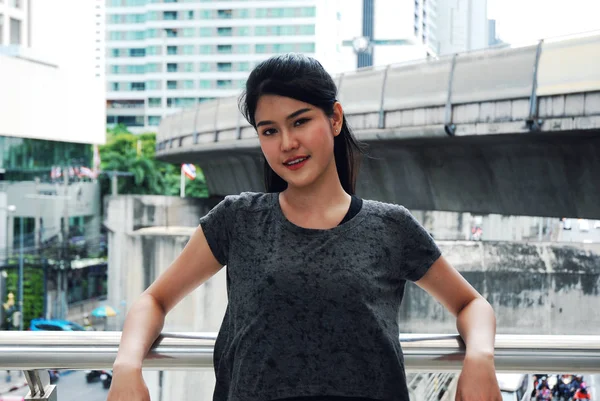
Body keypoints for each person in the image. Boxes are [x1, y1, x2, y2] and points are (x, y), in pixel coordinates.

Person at [107, 53, 501, 401]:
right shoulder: (238, 220)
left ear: (334, 119)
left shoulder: (391, 226)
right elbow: (153, 301)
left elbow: (471, 304)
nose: (287, 143)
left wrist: (480, 357)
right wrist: (126, 366)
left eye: (300, 121)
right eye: (270, 130)